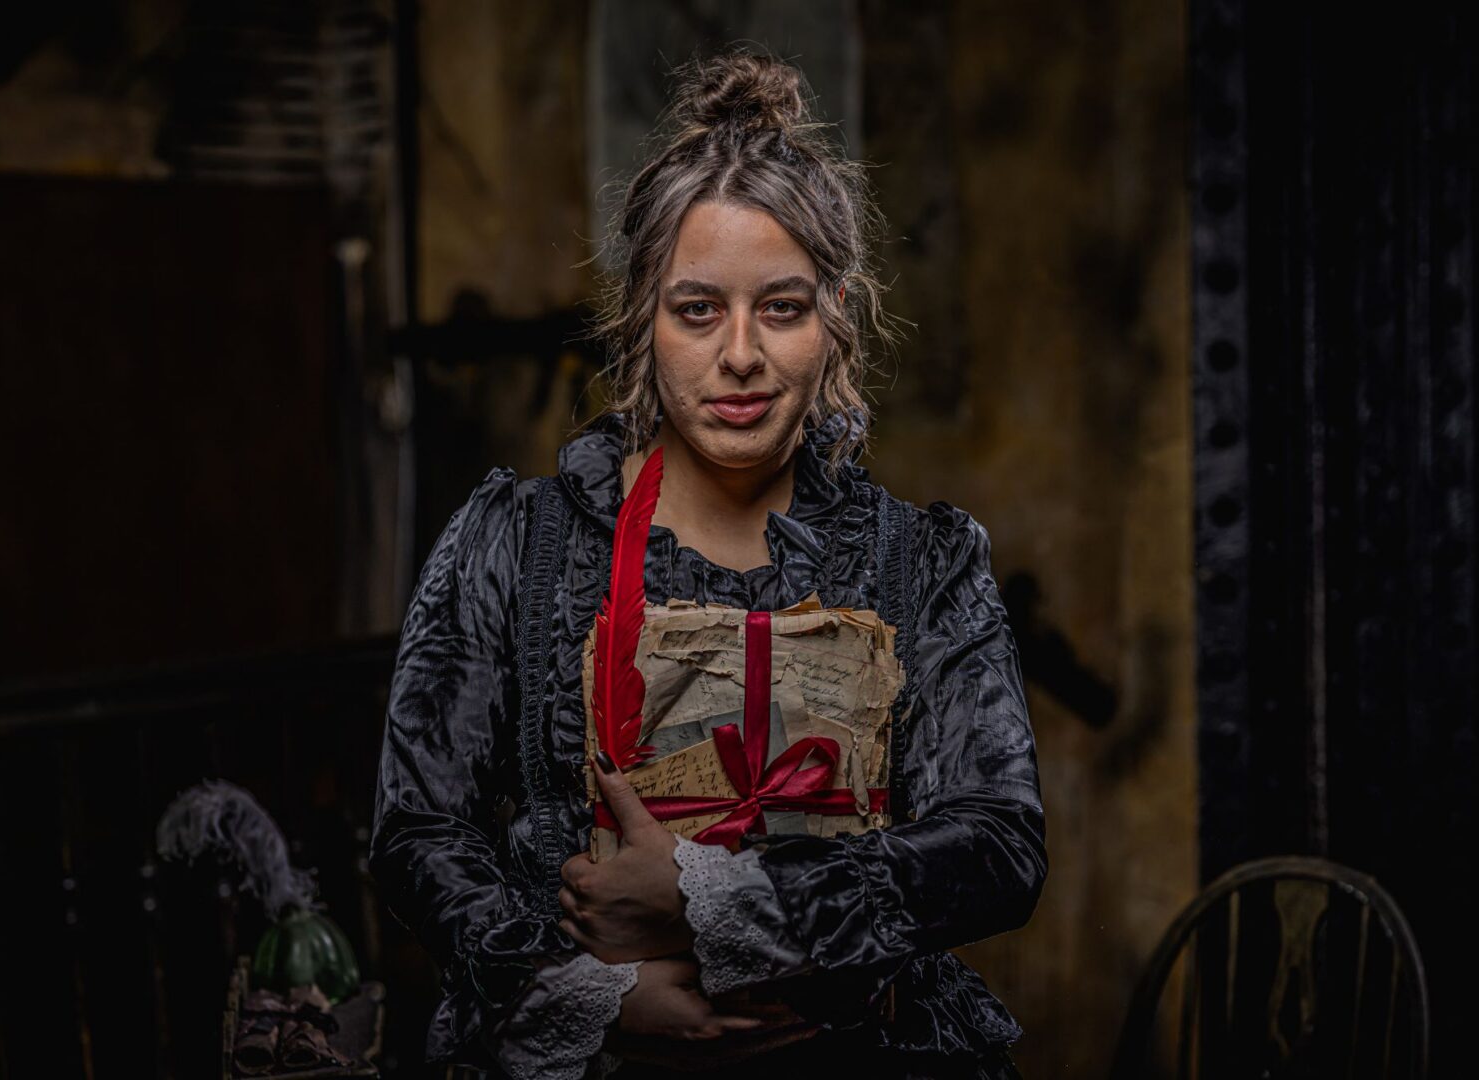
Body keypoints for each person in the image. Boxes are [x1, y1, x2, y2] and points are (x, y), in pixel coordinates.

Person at [370, 49, 1046, 1080]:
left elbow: (996, 848)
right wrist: (591, 992)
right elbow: (419, 833)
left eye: (779, 307)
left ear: (835, 320)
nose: (739, 354)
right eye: (698, 310)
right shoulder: (516, 542)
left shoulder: (925, 563)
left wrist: (709, 898)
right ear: (641, 317)